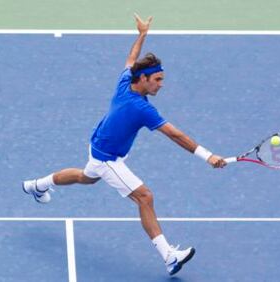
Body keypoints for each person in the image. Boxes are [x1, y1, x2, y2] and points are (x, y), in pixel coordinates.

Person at [22, 14, 226, 276]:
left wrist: (142, 35)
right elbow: (175, 135)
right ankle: (169, 256)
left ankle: (36, 186)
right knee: (145, 197)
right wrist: (207, 156)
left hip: (97, 144)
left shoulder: (125, 82)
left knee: (87, 177)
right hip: (109, 158)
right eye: (158, 80)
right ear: (143, 79)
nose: (162, 85)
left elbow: (131, 59)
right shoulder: (141, 108)